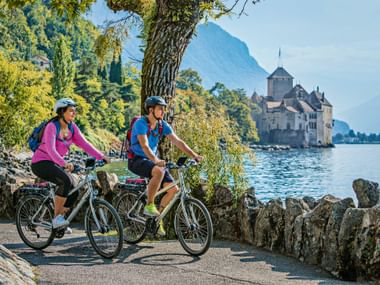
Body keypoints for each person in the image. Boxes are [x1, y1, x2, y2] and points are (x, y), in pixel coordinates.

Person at [31, 98, 110, 231]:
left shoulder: (72, 128)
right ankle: (56, 219)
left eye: (75, 111)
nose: (74, 114)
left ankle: (60, 220)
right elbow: (51, 150)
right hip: (41, 162)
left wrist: (101, 156)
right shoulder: (52, 127)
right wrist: (64, 164)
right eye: (71, 111)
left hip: (55, 163)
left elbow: (85, 144)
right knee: (66, 181)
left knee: (74, 191)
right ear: (62, 112)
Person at [128, 96, 202, 236]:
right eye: (160, 109)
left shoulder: (162, 125)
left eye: (163, 109)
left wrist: (194, 155)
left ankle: (156, 219)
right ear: (151, 110)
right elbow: (144, 146)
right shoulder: (140, 123)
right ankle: (149, 205)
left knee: (173, 190)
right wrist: (156, 160)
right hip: (136, 160)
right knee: (159, 171)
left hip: (152, 161)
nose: (163, 112)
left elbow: (177, 141)